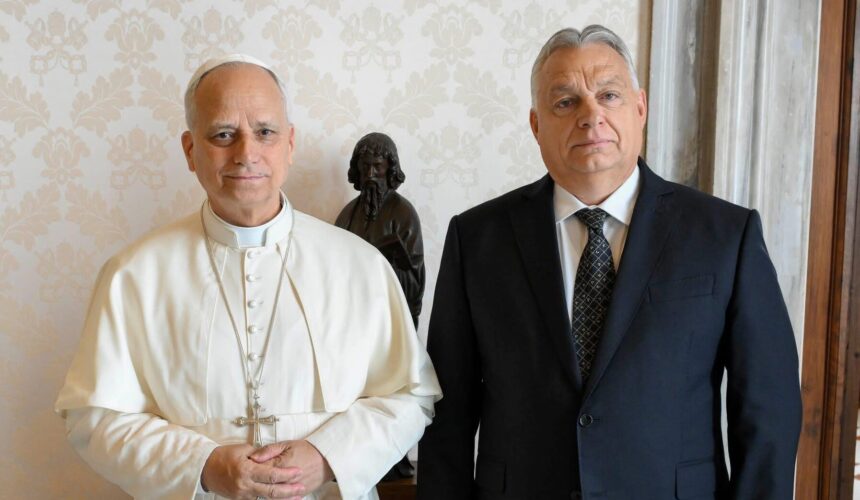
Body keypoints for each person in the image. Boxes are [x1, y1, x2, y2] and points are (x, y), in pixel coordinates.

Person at [418, 25, 801, 500]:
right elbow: (446, 414)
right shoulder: (477, 239)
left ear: (640, 108)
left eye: (609, 95)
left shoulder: (725, 235)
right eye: (566, 102)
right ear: (536, 125)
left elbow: (768, 413)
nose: (590, 115)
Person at [55, 54, 441, 500]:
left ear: (289, 144)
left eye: (265, 132)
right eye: (223, 134)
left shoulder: (360, 265)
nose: (246, 154)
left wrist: (328, 456)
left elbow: (410, 395)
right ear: (190, 150)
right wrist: (202, 465)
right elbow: (93, 416)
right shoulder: (134, 274)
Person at [335, 132, 425, 329]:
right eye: (365, 166)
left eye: (377, 166)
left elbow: (414, 284)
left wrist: (386, 266)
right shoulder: (347, 215)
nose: (370, 174)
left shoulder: (404, 213)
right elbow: (334, 271)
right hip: (354, 318)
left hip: (391, 320)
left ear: (390, 169)